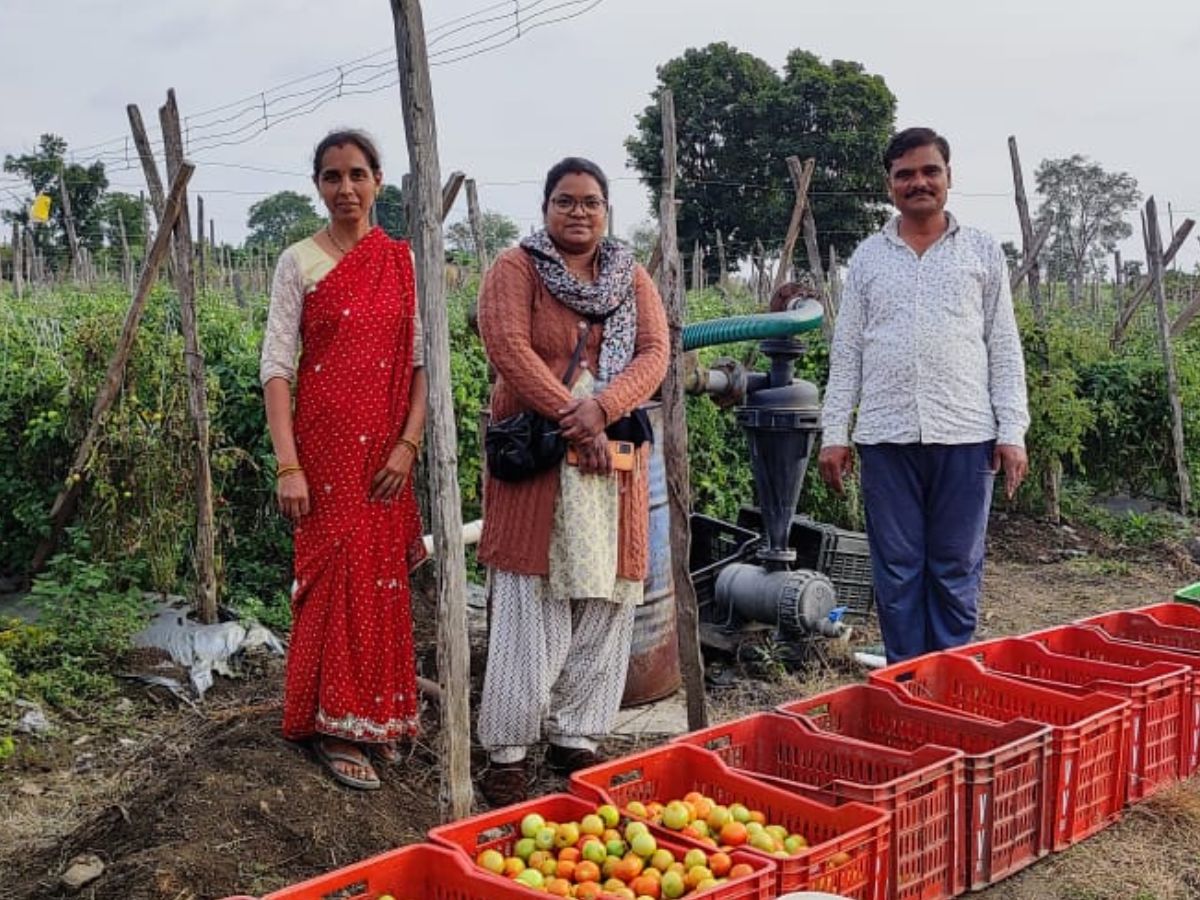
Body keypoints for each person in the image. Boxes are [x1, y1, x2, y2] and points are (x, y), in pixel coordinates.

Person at [475, 157, 668, 806]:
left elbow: (654, 352)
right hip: (540, 458)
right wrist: (572, 415)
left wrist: (604, 411)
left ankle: (576, 737)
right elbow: (507, 345)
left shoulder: (629, 274)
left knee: (609, 600)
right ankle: (508, 752)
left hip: (611, 463)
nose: (578, 212)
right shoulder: (516, 268)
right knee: (532, 606)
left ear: (606, 209)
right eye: (565, 201)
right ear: (545, 207)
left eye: (590, 201)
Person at [818, 127, 1029, 664]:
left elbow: (1002, 345)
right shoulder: (867, 258)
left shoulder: (981, 251)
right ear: (889, 184)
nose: (919, 182)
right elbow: (847, 354)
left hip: (966, 434)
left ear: (949, 178)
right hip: (887, 438)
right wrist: (834, 434)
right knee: (897, 569)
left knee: (956, 566)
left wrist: (1013, 432)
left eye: (929, 171)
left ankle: (952, 681)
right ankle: (907, 682)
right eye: (905, 174)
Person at [260, 129, 428, 790]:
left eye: (357, 174)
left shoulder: (401, 262)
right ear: (318, 187)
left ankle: (371, 716)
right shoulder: (297, 262)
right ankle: (331, 725)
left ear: (379, 181)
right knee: (331, 580)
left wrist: (408, 444)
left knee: (379, 581)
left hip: (387, 453)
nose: (346, 189)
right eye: (332, 177)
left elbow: (418, 365)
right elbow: (276, 368)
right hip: (322, 453)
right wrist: (287, 464)